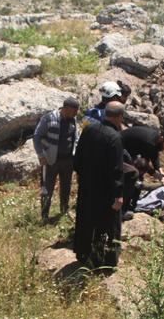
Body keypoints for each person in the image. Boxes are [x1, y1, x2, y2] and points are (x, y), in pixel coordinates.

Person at [73, 101, 126, 269]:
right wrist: (118, 195)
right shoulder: (115, 137)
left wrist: (82, 176)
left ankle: (83, 253)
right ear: (119, 117)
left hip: (87, 186)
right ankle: (106, 260)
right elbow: (117, 169)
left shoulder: (88, 129)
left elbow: (78, 159)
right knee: (107, 223)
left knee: (85, 219)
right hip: (106, 190)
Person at [33, 97, 80, 222]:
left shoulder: (73, 120)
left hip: (68, 160)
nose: (76, 114)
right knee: (47, 188)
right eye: (74, 111)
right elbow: (37, 136)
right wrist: (41, 155)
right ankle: (44, 215)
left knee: (66, 186)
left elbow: (75, 137)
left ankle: (64, 210)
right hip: (50, 160)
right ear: (66, 108)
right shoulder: (49, 118)